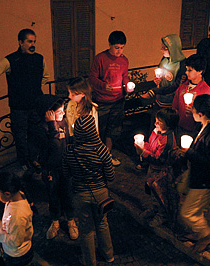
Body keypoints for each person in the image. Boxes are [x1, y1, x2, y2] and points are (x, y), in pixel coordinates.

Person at [0, 28, 50, 174]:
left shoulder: (39, 58)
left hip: (35, 105)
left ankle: (33, 159)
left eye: (34, 41)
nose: (33, 44)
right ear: (20, 42)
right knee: (20, 137)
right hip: (19, 108)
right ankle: (24, 162)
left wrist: (35, 89)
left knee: (35, 134)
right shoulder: (10, 60)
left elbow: (45, 77)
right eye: (29, 41)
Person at [62, 115, 115, 266]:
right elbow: (110, 176)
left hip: (80, 194)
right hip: (101, 194)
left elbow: (66, 174)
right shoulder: (102, 150)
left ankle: (90, 262)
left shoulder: (69, 151)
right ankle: (109, 255)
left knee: (86, 229)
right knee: (102, 223)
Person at [178, 94, 210, 253]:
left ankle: (207, 234)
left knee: (187, 212)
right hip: (200, 177)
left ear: (201, 114)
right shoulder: (205, 126)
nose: (191, 113)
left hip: (206, 181)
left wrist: (188, 152)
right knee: (195, 208)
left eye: (193, 110)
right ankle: (198, 232)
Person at [35, 94, 78, 240]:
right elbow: (51, 147)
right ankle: (55, 221)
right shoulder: (42, 129)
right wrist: (52, 126)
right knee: (53, 195)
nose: (64, 114)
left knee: (67, 193)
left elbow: (65, 143)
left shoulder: (63, 123)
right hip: (51, 169)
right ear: (49, 114)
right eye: (60, 112)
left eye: (63, 110)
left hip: (64, 166)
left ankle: (71, 220)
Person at [88, 31, 129, 167]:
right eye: (116, 47)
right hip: (102, 101)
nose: (119, 51)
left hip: (118, 101)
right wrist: (103, 86)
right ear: (110, 45)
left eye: (122, 48)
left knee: (113, 129)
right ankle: (98, 156)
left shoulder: (124, 60)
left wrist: (127, 86)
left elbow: (125, 77)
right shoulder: (100, 58)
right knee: (100, 129)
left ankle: (107, 154)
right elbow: (92, 78)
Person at [134, 108, 180, 228]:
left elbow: (159, 160)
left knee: (161, 194)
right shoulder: (157, 132)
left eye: (159, 122)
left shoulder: (168, 141)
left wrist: (143, 152)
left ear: (168, 124)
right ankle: (154, 209)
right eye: (156, 120)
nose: (156, 124)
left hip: (161, 172)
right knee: (153, 191)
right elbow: (152, 145)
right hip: (152, 168)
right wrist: (144, 145)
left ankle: (162, 215)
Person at [0, 172, 34, 266]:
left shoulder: (18, 215)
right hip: (15, 251)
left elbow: (15, 242)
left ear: (7, 194)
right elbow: (8, 224)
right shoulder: (17, 197)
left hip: (17, 256)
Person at [142, 34, 187, 132]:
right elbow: (161, 73)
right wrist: (158, 79)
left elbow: (176, 86)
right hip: (159, 100)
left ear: (173, 49)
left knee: (166, 129)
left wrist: (153, 91)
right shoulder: (165, 59)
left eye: (165, 48)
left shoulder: (182, 65)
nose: (161, 50)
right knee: (155, 127)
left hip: (170, 105)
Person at [172, 54, 210, 143]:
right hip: (179, 126)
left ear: (200, 71)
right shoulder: (183, 86)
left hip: (195, 131)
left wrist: (193, 112)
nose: (186, 72)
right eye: (186, 69)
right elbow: (175, 106)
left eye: (190, 70)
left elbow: (208, 117)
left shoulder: (205, 91)